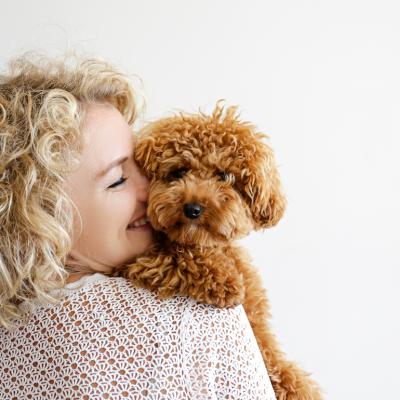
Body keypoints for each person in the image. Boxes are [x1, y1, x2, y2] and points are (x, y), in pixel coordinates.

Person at [0, 52, 277, 399]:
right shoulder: (196, 314)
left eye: (146, 165)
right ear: (42, 216)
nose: (151, 189)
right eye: (117, 180)